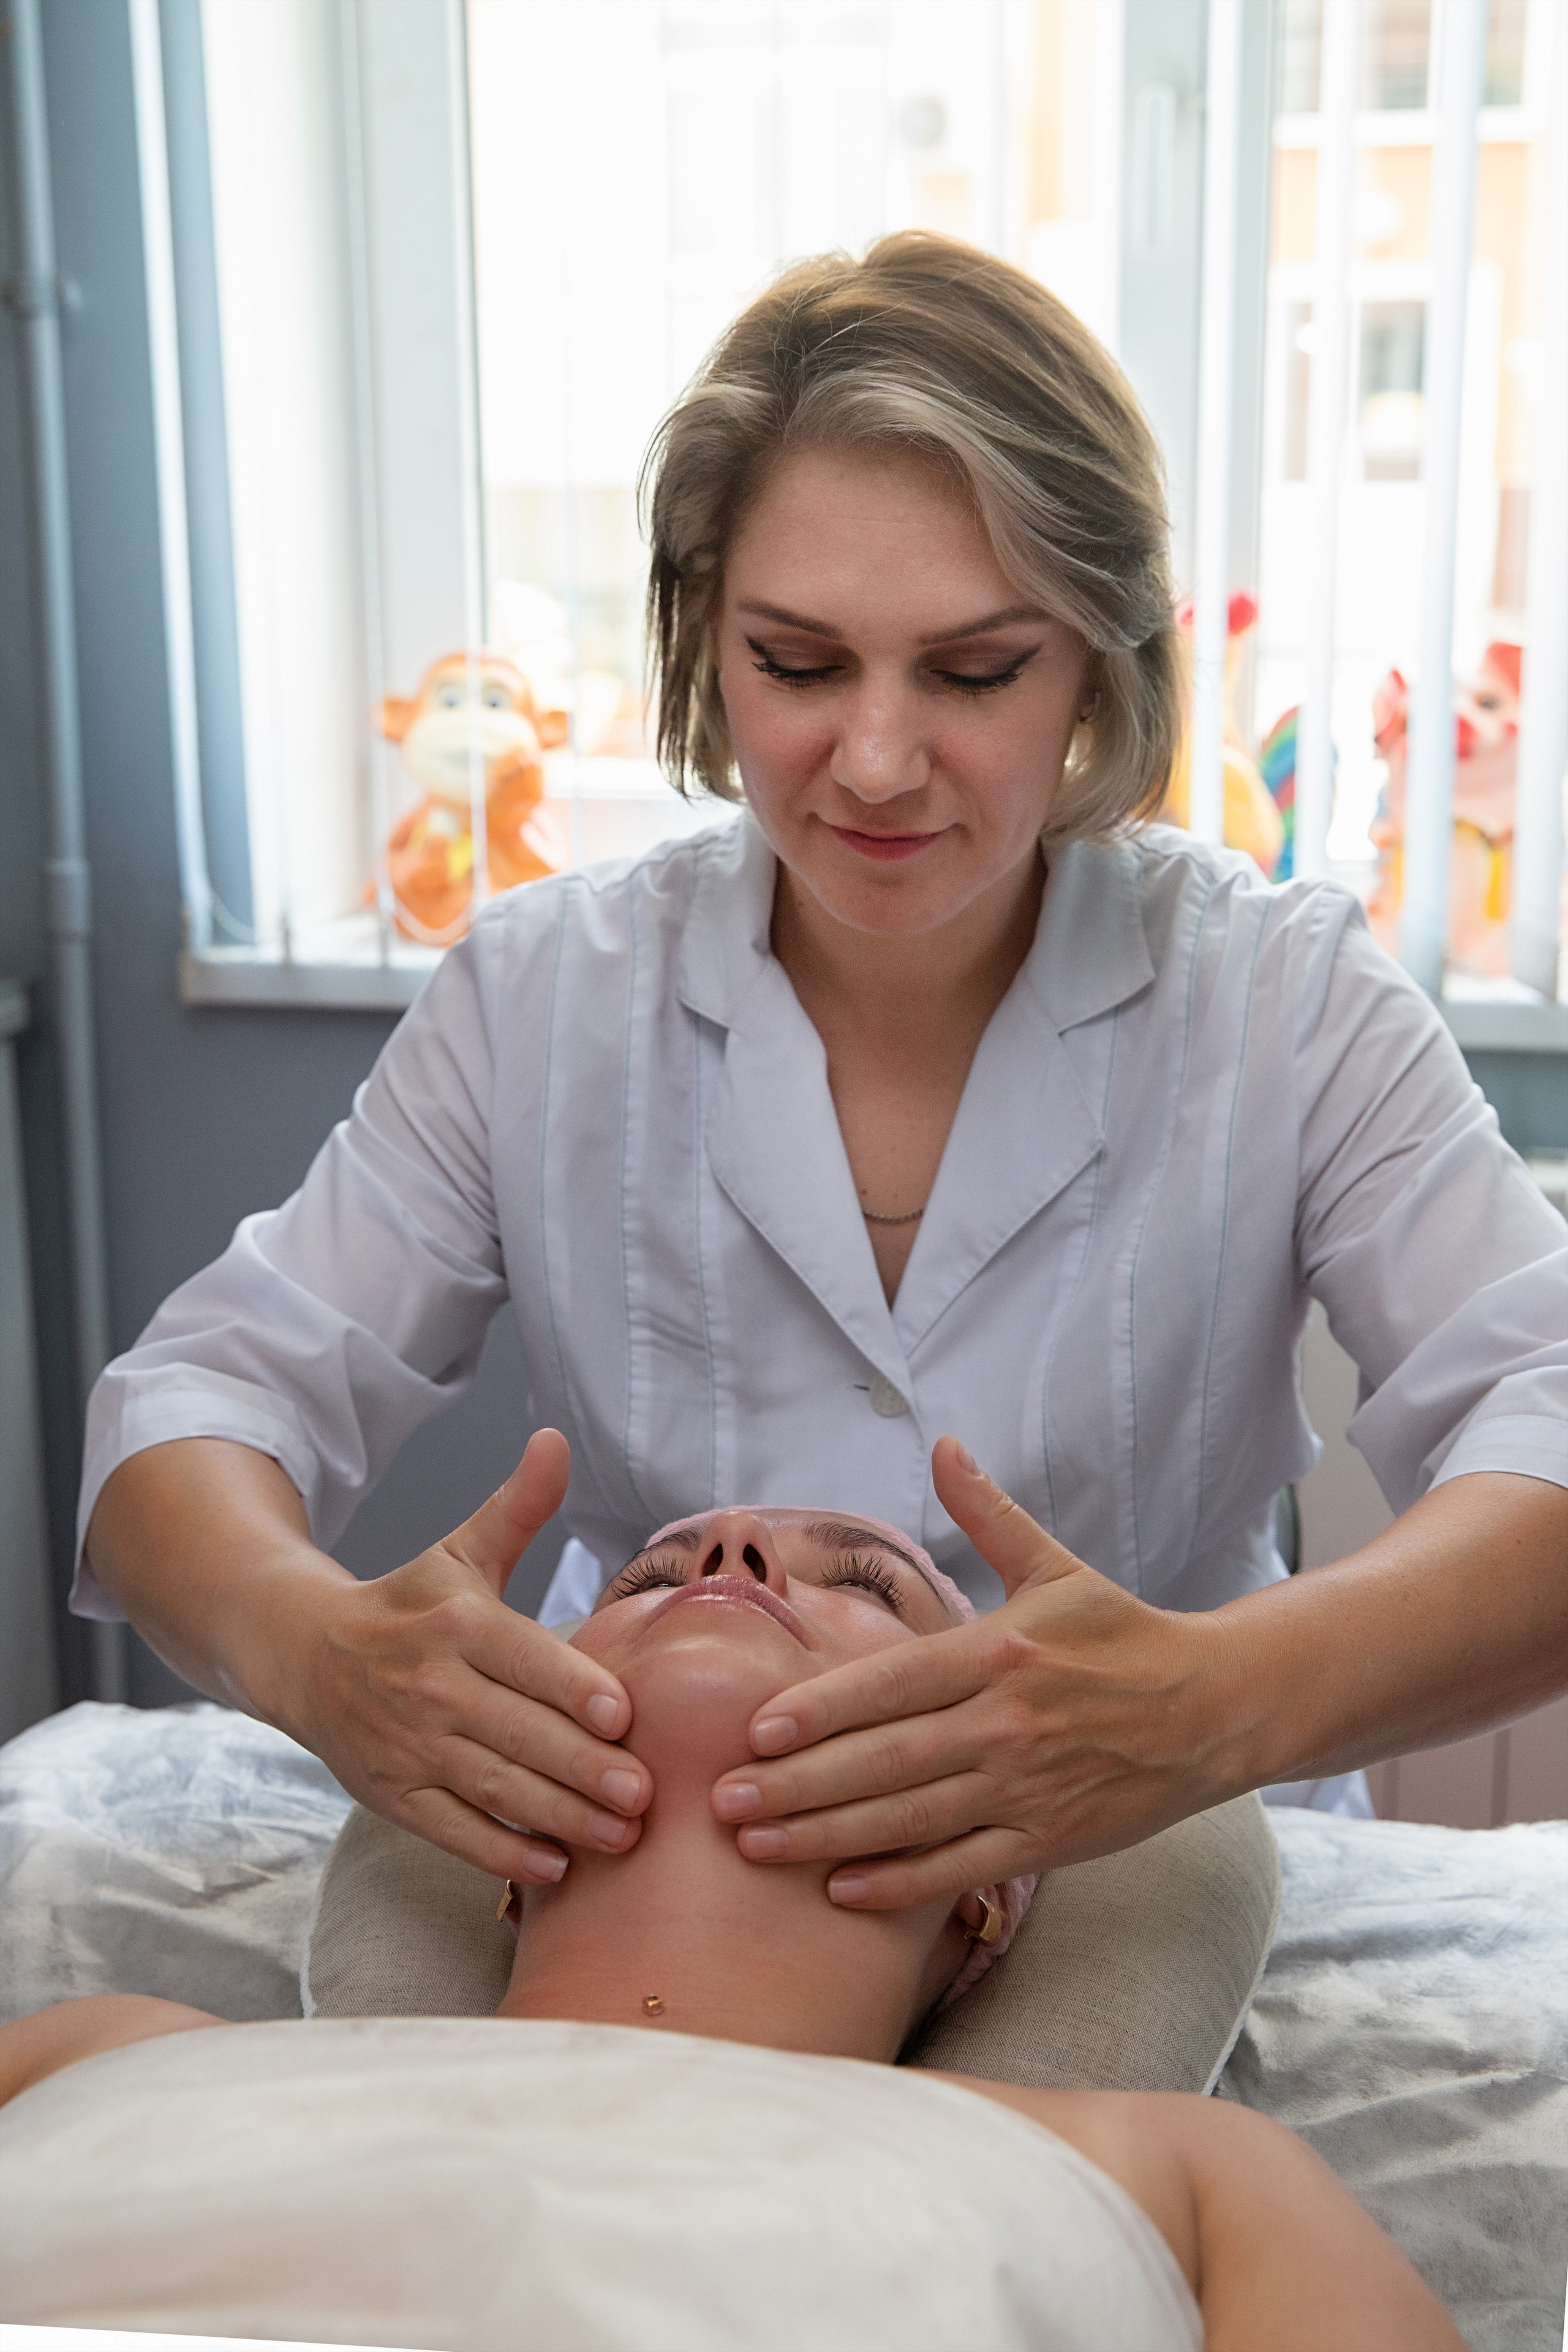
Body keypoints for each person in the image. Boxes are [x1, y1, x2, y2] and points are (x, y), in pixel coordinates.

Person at [79, 233, 1566, 1915]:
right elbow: (188, 1414)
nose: (871, 760)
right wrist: (314, 1648)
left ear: (1097, 660)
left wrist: (1205, 1707)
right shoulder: (547, 994)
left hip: (1156, 1875)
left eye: (975, 670)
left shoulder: (1284, 999)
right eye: (796, 663)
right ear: (707, 639)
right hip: (662, 1884)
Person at [1, 1497, 1463, 2350]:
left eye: (868, 1587)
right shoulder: (103, 2053)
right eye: (647, 1573)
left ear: (991, 1888)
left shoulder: (1187, 2178)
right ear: (488, 1824)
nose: (734, 1560)